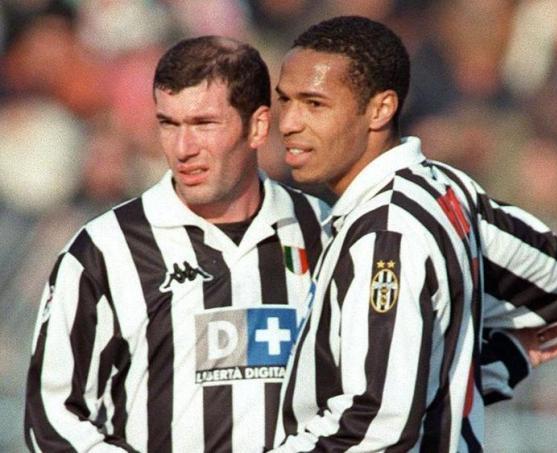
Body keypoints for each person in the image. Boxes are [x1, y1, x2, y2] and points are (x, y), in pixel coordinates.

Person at [271, 16, 557, 452]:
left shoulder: (388, 232)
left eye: (314, 104)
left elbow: (376, 428)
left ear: (381, 109)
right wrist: (483, 368)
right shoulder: (444, 189)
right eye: (284, 100)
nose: (288, 122)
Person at [24, 36, 330, 452]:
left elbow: (365, 392)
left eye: (204, 124)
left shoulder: (325, 230)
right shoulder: (103, 250)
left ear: (258, 126)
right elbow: (52, 421)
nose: (183, 149)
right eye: (169, 124)